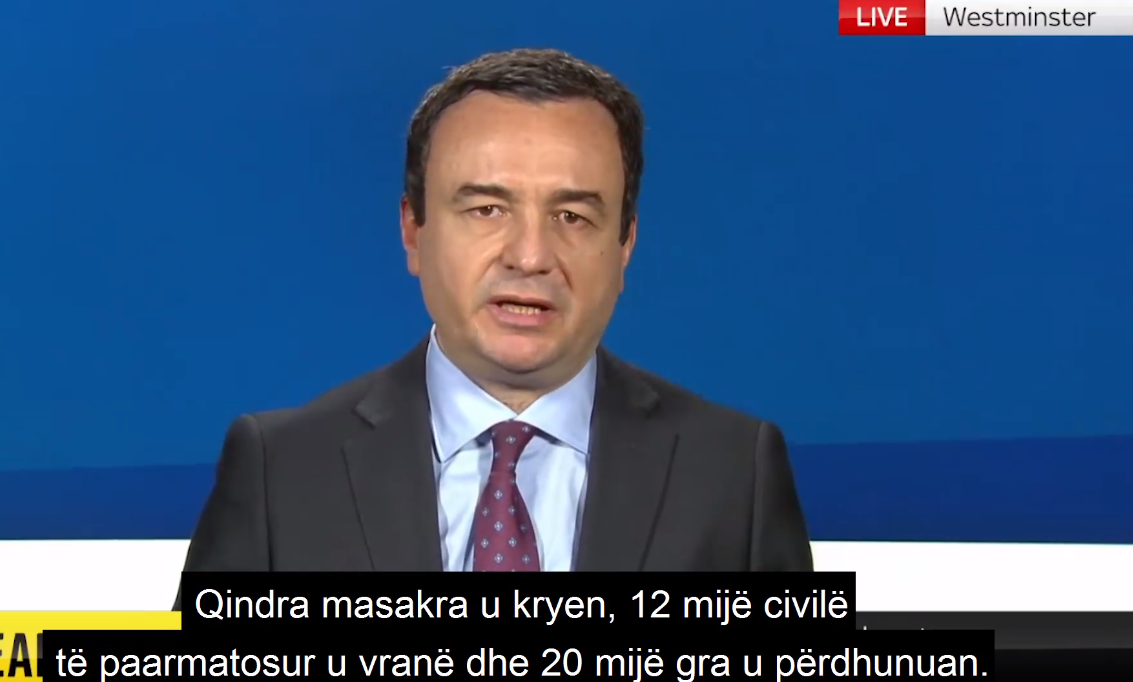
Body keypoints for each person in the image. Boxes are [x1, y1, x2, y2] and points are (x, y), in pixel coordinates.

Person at [174, 48, 812, 604]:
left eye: (572, 216)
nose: (530, 256)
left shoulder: (735, 474)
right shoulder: (280, 470)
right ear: (413, 231)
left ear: (625, 246)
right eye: (486, 209)